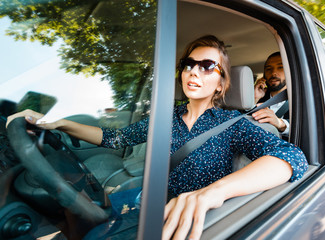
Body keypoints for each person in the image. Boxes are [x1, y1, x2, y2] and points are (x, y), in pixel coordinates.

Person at [6, 36, 308, 240]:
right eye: (189, 64)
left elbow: (293, 158)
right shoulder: (166, 118)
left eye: (207, 67)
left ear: (221, 83)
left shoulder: (233, 123)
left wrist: (215, 191)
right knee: (75, 216)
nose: (195, 71)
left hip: (186, 220)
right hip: (149, 201)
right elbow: (115, 138)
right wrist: (59, 123)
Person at [253, 52, 289, 136]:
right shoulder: (259, 98)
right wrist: (254, 99)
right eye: (269, 69)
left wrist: (281, 124)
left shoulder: (301, 98)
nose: (273, 73)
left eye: (280, 67)